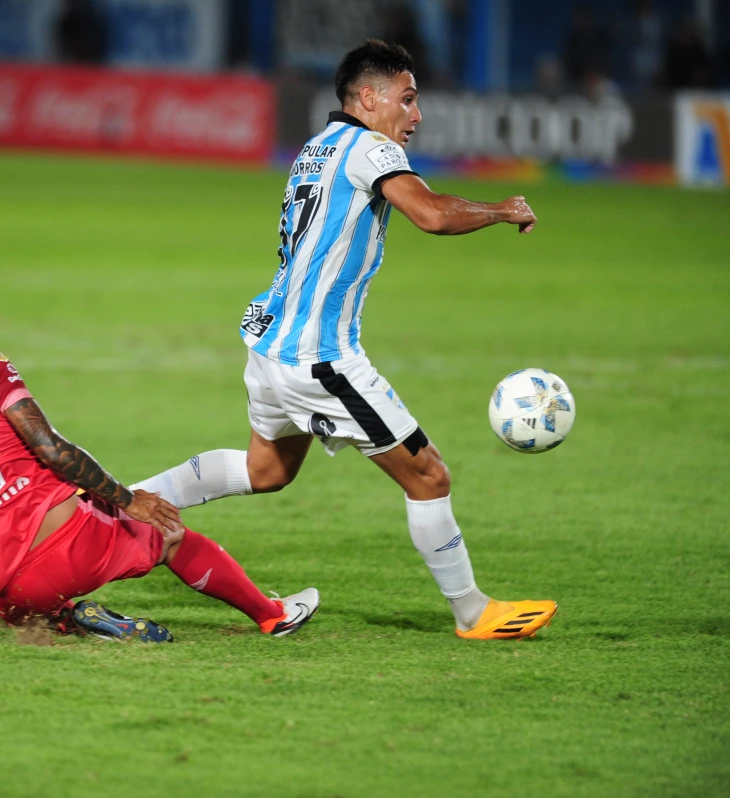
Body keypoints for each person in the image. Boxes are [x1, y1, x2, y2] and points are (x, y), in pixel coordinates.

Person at [133, 40, 557, 641]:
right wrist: (501, 208)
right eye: (407, 100)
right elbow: (431, 214)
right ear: (368, 98)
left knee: (266, 469)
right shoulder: (369, 147)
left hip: (271, 343)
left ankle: (127, 497)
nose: (416, 115)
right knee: (429, 475)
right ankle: (473, 611)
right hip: (320, 359)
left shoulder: (317, 148)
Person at [0, 278, 320, 641]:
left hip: (9, 594)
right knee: (169, 533)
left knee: (28, 594)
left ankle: (71, 618)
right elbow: (52, 449)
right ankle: (272, 616)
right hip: (64, 546)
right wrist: (126, 499)